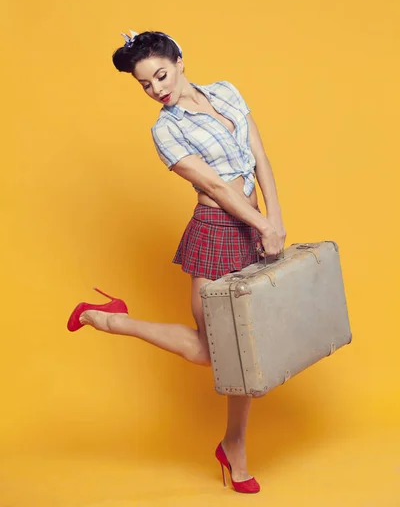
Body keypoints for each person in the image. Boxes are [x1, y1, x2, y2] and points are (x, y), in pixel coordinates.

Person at [67, 30, 286, 493]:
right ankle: (109, 320)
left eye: (160, 75)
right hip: (217, 233)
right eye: (145, 85)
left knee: (248, 349)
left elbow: (260, 158)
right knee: (214, 351)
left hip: (253, 226)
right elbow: (220, 189)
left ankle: (234, 446)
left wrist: (275, 220)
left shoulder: (226, 92)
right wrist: (263, 227)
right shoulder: (166, 130)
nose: (157, 89)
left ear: (180, 60)